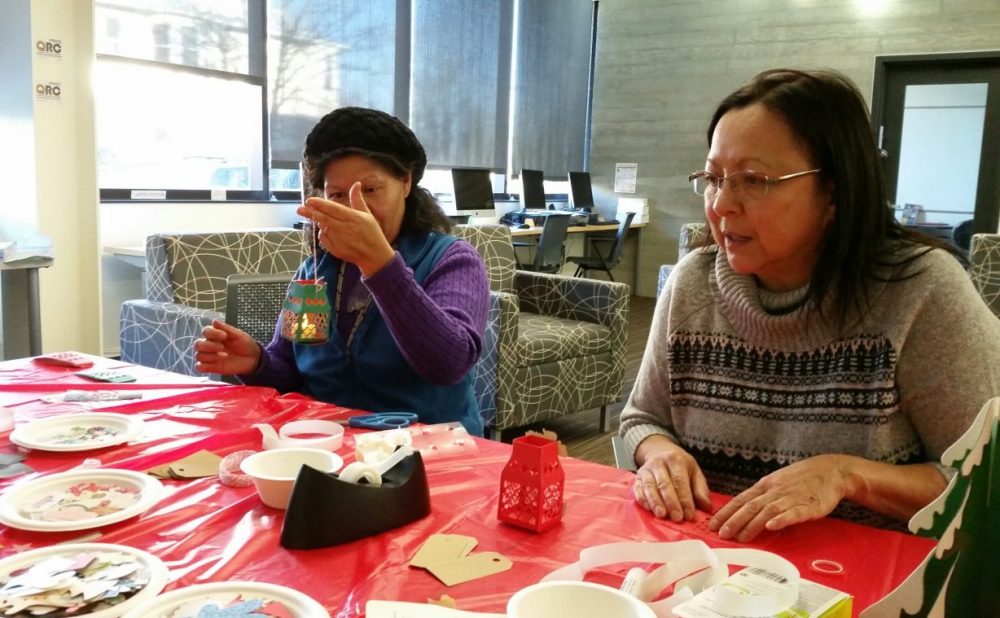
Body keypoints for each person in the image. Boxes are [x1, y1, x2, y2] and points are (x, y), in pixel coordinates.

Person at [620, 68, 1000, 542]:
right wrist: (658, 453)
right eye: (714, 179)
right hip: (713, 573)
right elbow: (642, 418)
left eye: (753, 180)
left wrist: (846, 476)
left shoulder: (920, 290)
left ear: (833, 191)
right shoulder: (692, 284)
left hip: (864, 581)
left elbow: (984, 479)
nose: (721, 206)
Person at [193, 107, 490, 436]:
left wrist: (378, 262)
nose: (354, 208)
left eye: (370, 190)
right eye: (337, 194)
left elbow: (448, 365)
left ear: (406, 182)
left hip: (432, 454)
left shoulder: (451, 260)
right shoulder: (316, 273)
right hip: (332, 451)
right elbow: (292, 371)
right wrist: (256, 363)